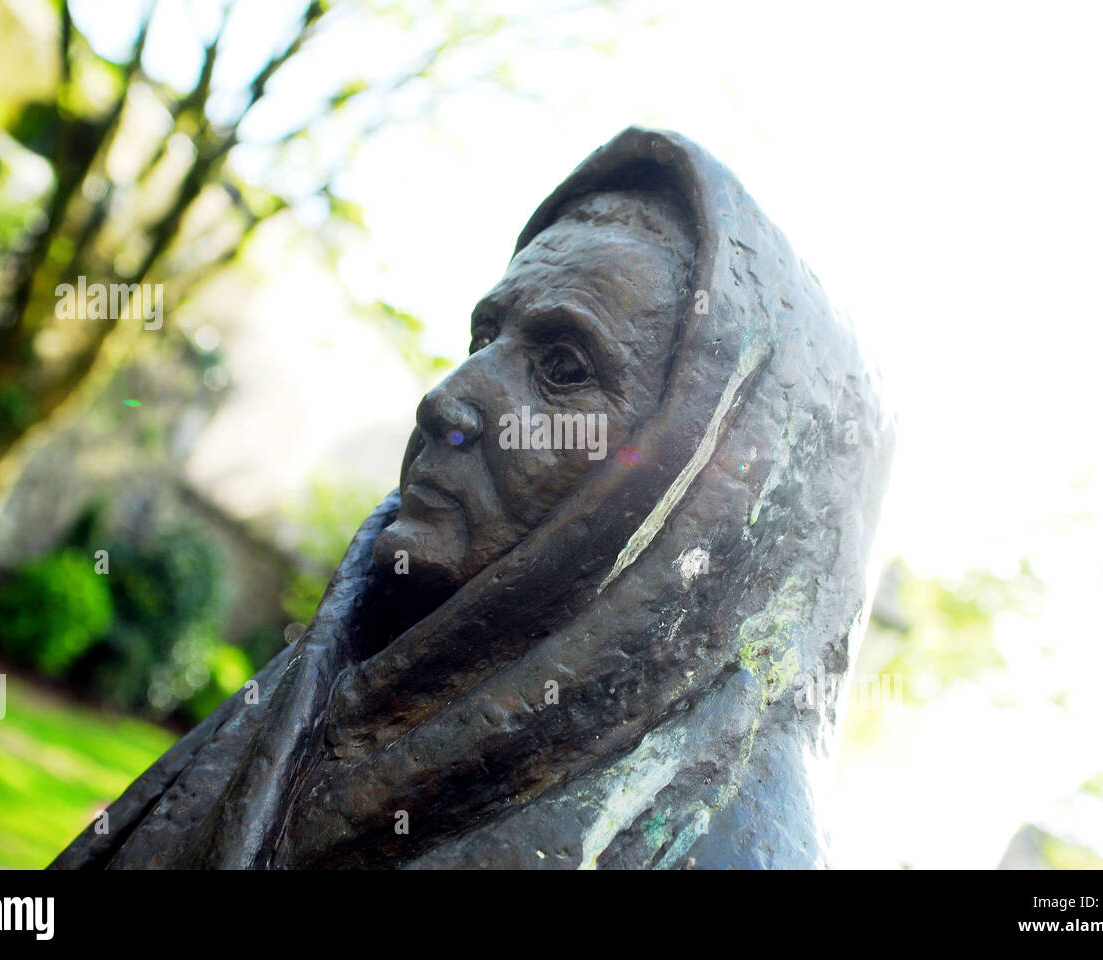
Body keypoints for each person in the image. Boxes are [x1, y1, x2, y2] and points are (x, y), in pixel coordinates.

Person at [52, 126, 894, 870]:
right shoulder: (315, 695)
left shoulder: (721, 848)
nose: (445, 401)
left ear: (706, 503)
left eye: (563, 367)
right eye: (484, 337)